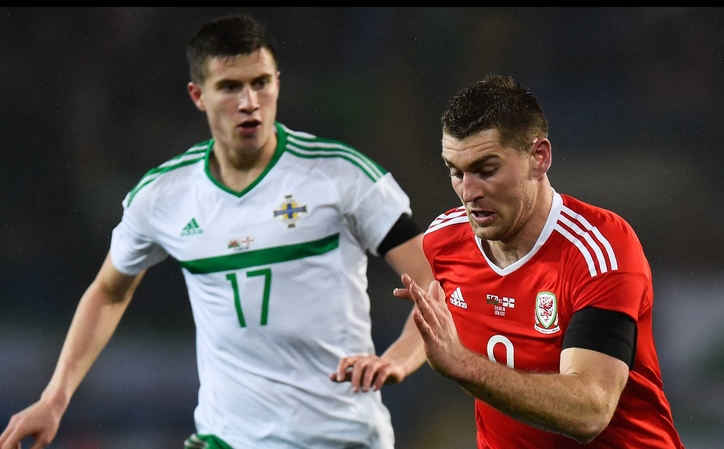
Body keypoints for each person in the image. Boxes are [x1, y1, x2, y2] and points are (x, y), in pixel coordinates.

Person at [0, 13, 433, 449]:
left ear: (278, 83)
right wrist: (54, 398)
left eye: (261, 82)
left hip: (340, 438)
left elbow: (437, 279)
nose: (250, 102)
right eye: (229, 87)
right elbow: (109, 291)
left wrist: (400, 357)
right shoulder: (164, 195)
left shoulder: (340, 176)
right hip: (223, 439)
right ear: (198, 95)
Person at [394, 74, 685, 448]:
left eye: (487, 170)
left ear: (539, 157)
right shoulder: (443, 241)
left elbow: (590, 411)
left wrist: (462, 364)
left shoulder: (600, 250)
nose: (468, 192)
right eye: (456, 172)